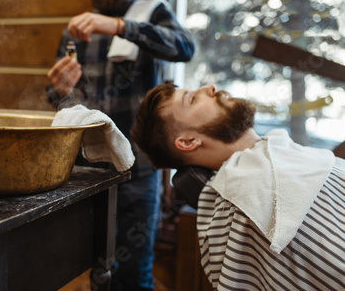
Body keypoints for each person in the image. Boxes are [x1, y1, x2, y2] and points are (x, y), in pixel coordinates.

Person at [46, 0, 195, 289]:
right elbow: (62, 102)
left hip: (138, 169)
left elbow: (185, 47)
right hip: (86, 169)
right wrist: (59, 90)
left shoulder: (152, 12)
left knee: (135, 270)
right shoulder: (75, 30)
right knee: (94, 268)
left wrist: (118, 26)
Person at [131, 83, 345, 290]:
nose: (211, 87)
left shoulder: (280, 153)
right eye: (193, 99)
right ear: (188, 141)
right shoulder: (244, 200)